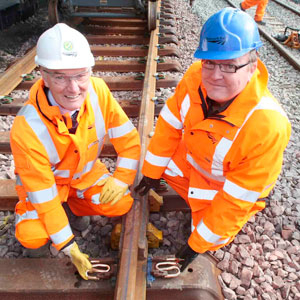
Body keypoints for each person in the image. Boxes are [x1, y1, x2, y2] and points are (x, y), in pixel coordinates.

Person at [135, 7, 291, 272]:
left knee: (211, 238)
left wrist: (196, 244)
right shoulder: (196, 76)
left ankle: (203, 226)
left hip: (225, 188)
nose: (215, 75)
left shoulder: (267, 126)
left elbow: (235, 200)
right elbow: (169, 127)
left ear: (252, 67)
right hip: (195, 161)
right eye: (210, 62)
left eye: (229, 65)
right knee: (157, 161)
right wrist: (150, 173)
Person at [10, 23, 141, 280]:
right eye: (60, 77)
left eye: (80, 75)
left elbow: (129, 140)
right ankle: (58, 224)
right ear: (43, 75)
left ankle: (76, 207)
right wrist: (69, 247)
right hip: (47, 189)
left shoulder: (98, 92)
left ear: (90, 71)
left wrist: (122, 178)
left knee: (121, 202)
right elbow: (44, 197)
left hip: (84, 177)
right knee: (32, 236)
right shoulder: (27, 128)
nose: (73, 88)